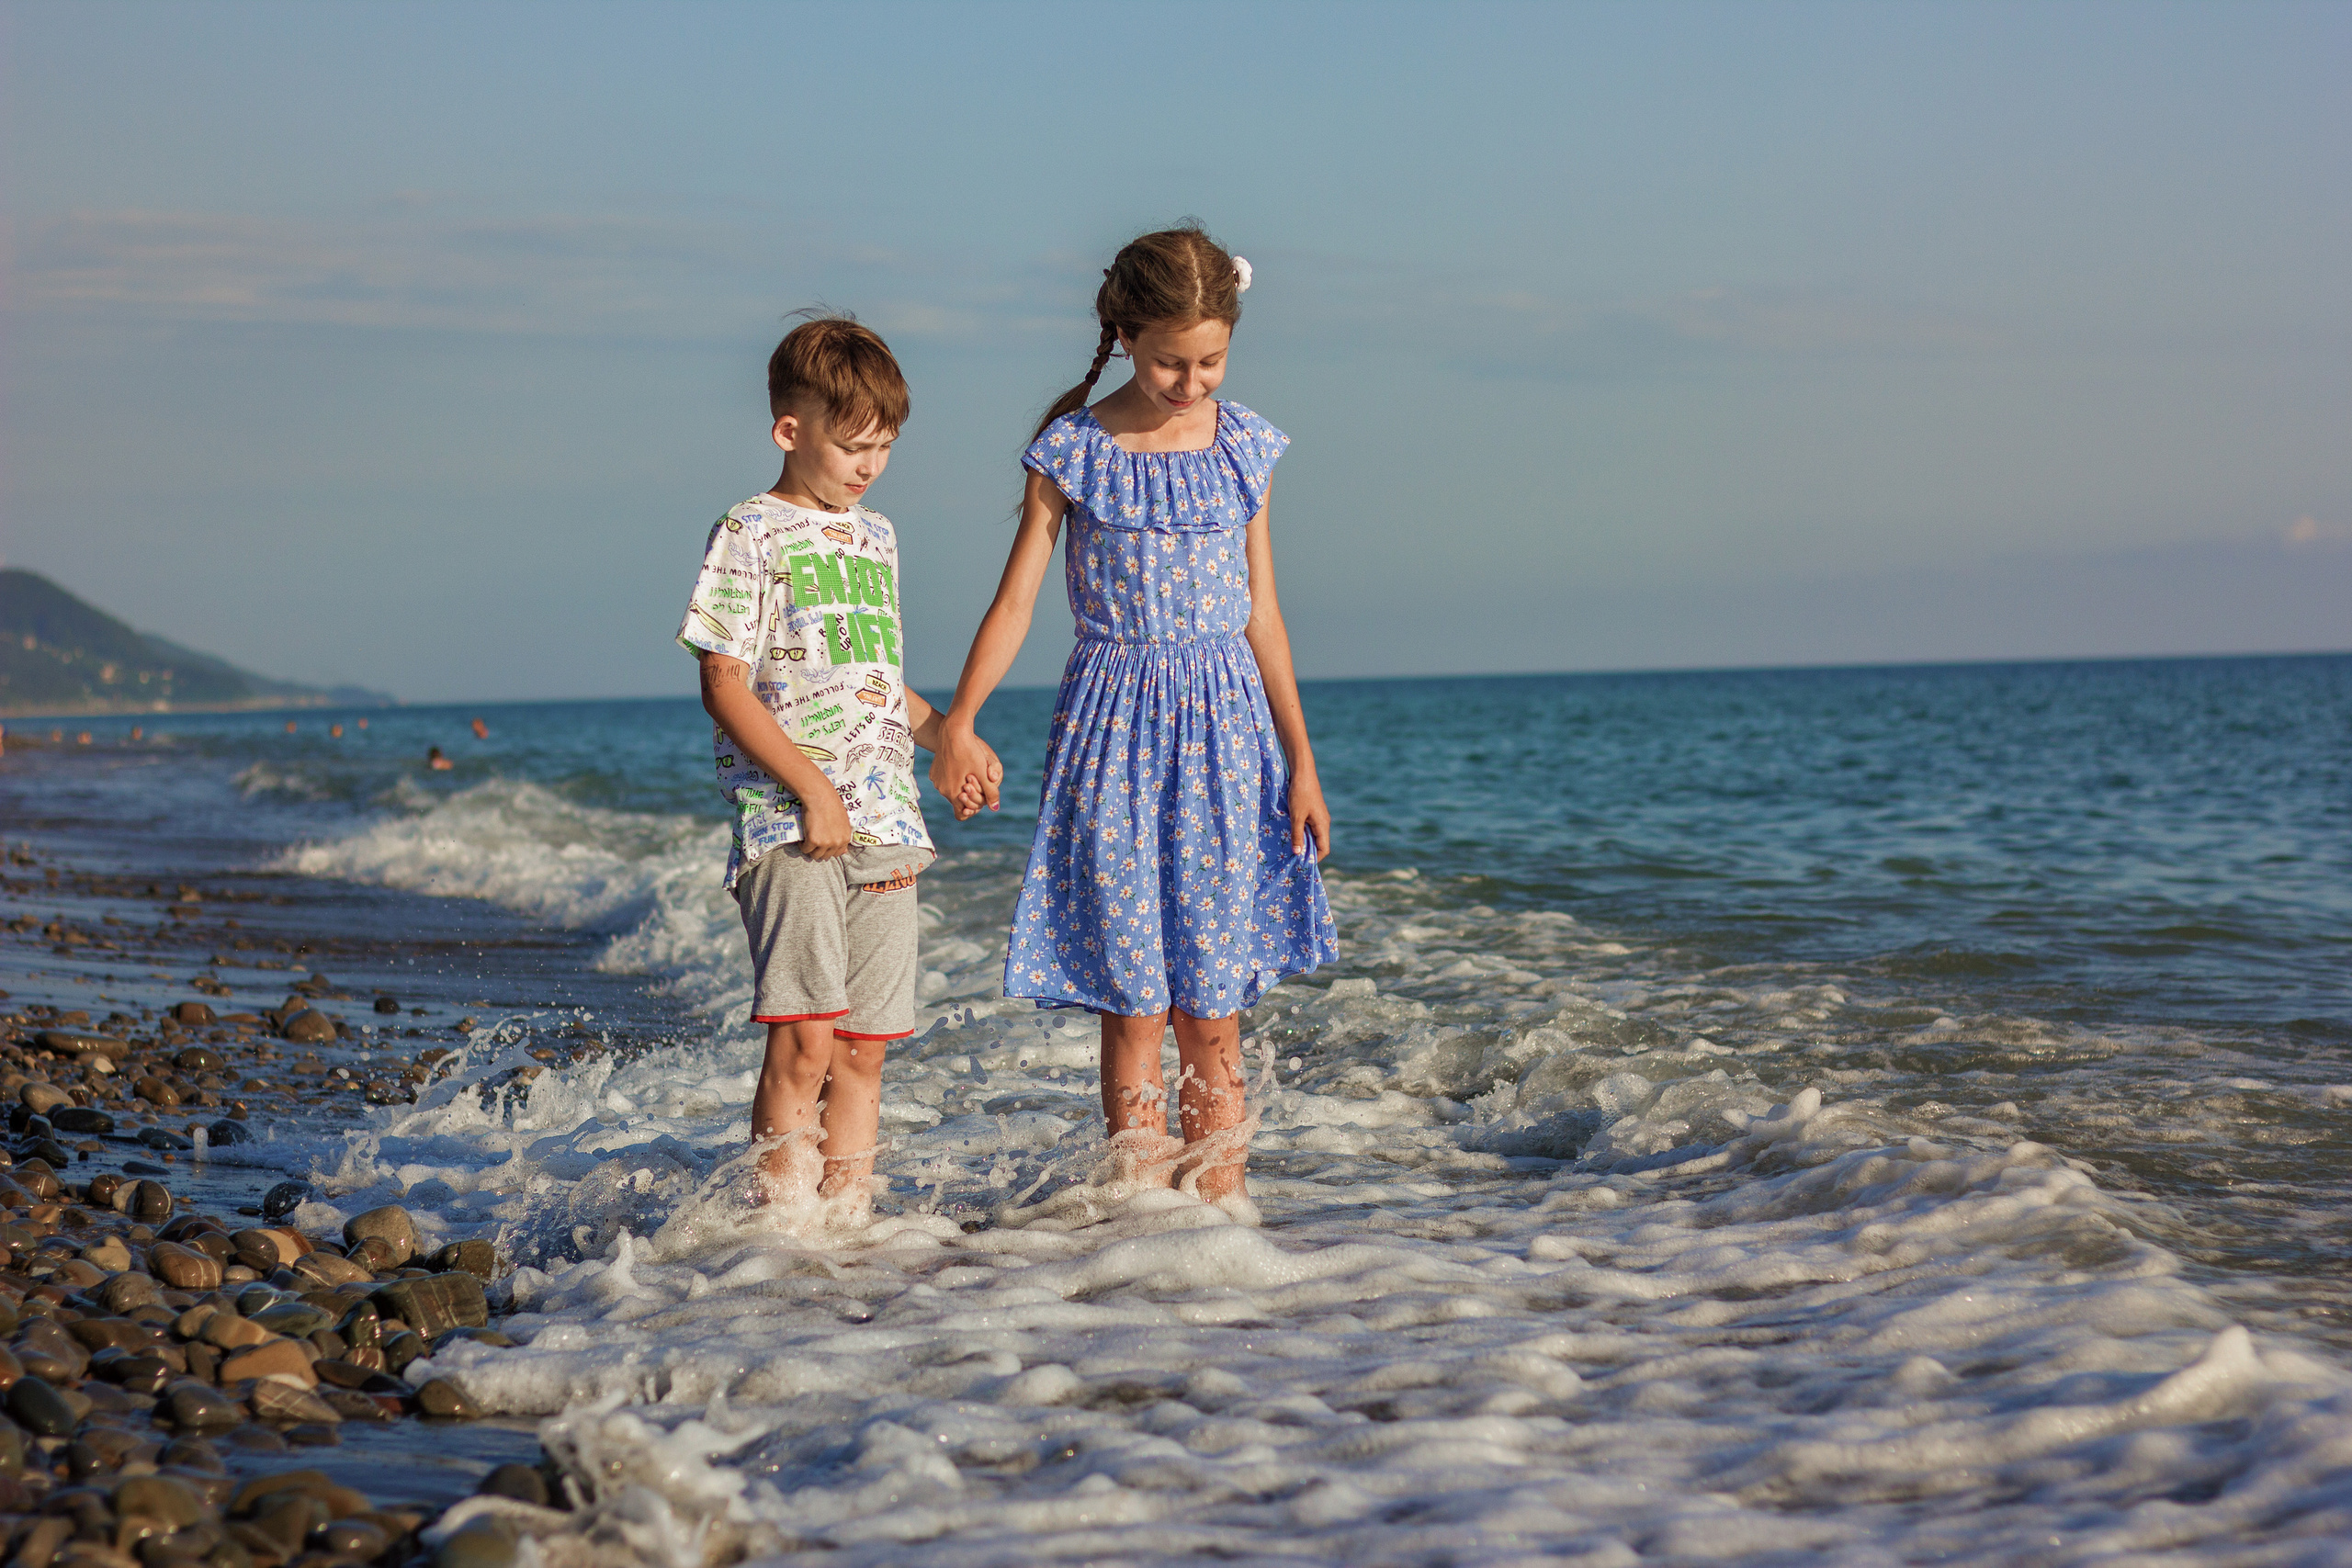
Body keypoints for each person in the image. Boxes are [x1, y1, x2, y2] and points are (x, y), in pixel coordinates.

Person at [929, 224, 1337, 1212]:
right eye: (1169, 362)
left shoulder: (1245, 446)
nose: (1191, 383)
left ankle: (1222, 1220)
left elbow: (1264, 615)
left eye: (1210, 362)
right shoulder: (1072, 451)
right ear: (1121, 334)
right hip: (1111, 732)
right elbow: (1018, 600)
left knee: (1215, 999)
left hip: (1229, 738)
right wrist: (960, 722)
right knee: (1135, 1002)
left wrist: (1302, 759)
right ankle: (1142, 1224)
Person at [677, 314, 994, 1207]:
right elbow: (725, 683)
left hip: (886, 819)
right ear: (790, 430)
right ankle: (779, 1237)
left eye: (884, 448)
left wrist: (949, 739)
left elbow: (872, 681)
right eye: (853, 445)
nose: (868, 466)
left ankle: (847, 1231)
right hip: (791, 821)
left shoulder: (877, 537)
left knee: (862, 1049)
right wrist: (812, 791)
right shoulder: (750, 530)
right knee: (804, 1039)